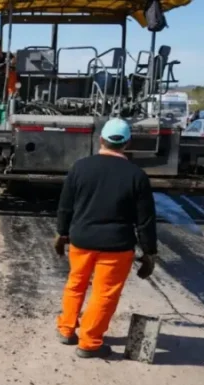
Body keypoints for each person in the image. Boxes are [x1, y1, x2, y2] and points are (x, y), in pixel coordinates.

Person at [54, 118, 158, 359]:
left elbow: (65, 207)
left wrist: (62, 233)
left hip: (81, 241)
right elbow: (145, 219)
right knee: (105, 293)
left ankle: (66, 329)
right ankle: (89, 343)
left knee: (76, 283)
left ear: (100, 139)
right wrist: (149, 252)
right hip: (117, 246)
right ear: (127, 143)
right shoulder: (137, 176)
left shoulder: (80, 167)